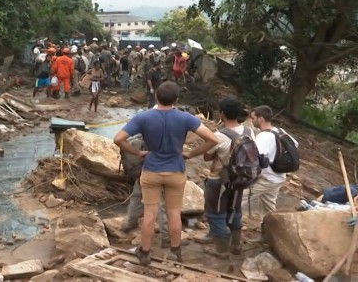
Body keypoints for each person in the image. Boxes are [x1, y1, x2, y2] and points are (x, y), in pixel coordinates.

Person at [114, 82, 217, 266]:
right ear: (176, 100)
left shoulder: (143, 117)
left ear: (156, 97)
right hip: (176, 171)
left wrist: (137, 153)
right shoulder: (186, 118)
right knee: (174, 214)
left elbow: (118, 139)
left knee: (150, 214)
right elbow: (212, 139)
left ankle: (145, 253)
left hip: (151, 170)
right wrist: (191, 154)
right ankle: (175, 252)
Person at [196, 97, 253, 259]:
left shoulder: (219, 136)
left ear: (222, 114)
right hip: (240, 180)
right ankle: (235, 245)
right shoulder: (249, 132)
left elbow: (207, 156)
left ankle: (221, 250)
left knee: (216, 213)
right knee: (235, 210)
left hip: (219, 180)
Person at [243, 105, 299, 243]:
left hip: (266, 179)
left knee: (237, 199)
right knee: (268, 208)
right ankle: (270, 236)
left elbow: (255, 158)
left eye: (253, 118)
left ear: (260, 119)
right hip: (278, 177)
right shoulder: (279, 131)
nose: (252, 120)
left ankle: (225, 232)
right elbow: (295, 144)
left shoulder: (264, 136)